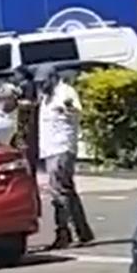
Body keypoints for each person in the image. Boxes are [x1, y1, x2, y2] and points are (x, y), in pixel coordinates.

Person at [37, 64, 93, 249]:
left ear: (53, 78)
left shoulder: (65, 92)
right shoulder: (47, 96)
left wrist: (67, 108)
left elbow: (75, 110)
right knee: (61, 192)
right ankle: (76, 233)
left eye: (43, 81)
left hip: (62, 148)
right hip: (49, 149)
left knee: (61, 192)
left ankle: (72, 233)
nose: (41, 85)